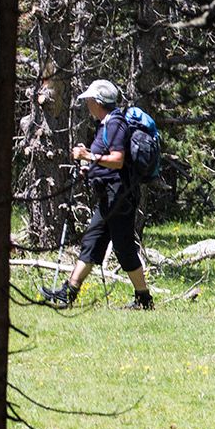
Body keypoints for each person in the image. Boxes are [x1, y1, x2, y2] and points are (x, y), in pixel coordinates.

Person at [40, 80, 153, 310]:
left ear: (98, 102)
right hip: (108, 197)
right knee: (91, 244)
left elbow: (118, 160)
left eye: (90, 100)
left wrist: (88, 157)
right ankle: (68, 293)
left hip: (119, 197)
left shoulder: (115, 124)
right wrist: (91, 168)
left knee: (124, 248)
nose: (88, 104)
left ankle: (144, 298)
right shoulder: (105, 124)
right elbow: (108, 160)